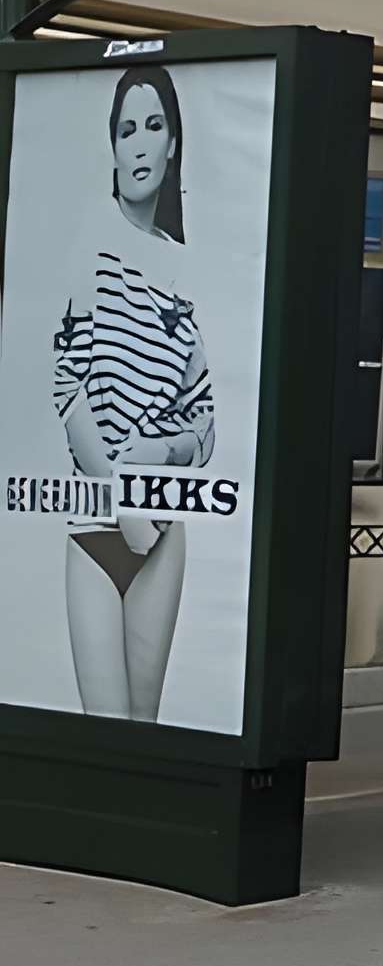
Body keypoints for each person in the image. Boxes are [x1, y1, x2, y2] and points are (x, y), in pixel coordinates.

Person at [53, 65, 213, 721]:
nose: (140, 144)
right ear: (112, 146)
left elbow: (205, 419)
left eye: (154, 126)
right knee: (107, 730)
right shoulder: (88, 245)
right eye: (127, 130)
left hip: (164, 530)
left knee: (144, 731)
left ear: (173, 141)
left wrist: (167, 447)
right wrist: (125, 503)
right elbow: (69, 390)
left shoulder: (182, 264)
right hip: (97, 524)